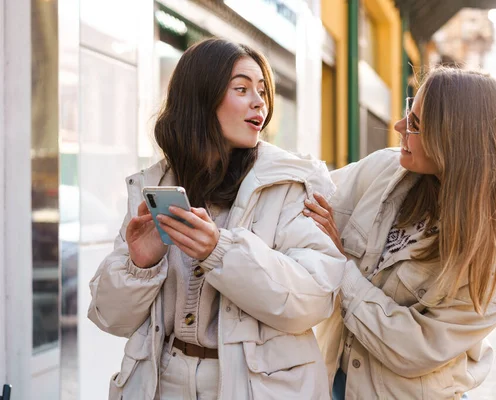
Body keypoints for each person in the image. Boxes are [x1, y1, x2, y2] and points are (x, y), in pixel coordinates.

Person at [88, 38, 346, 400]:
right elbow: (109, 317)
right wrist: (140, 265)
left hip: (258, 388)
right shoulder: (155, 186)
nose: (259, 102)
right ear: (200, 98)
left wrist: (220, 251)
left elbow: (314, 299)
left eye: (262, 91)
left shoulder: (291, 182)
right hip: (160, 383)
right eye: (241, 89)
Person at [303, 67, 496, 399]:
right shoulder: (387, 170)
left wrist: (340, 268)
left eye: (415, 125)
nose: (399, 127)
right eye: (407, 113)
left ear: (453, 143)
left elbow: (416, 349)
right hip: (337, 381)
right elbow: (304, 193)